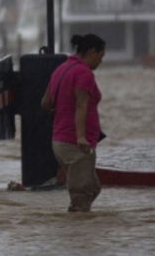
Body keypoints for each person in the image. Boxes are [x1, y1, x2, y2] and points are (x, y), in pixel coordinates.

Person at [40, 33, 106, 212]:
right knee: (82, 197)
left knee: (92, 189)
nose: (100, 62)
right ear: (92, 52)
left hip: (59, 141)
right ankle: (78, 236)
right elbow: (81, 106)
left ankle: (75, 230)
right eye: (100, 57)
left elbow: (45, 103)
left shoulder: (60, 69)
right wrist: (81, 137)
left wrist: (61, 111)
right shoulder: (84, 73)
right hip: (75, 144)